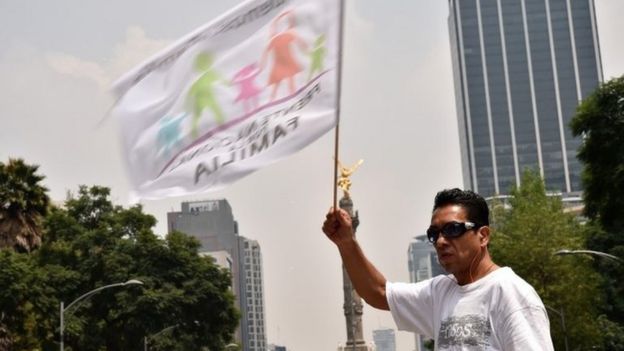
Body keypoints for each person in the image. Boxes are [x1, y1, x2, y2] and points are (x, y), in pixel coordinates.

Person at [322, 188, 554, 350]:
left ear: (483, 236)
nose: (441, 241)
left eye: (453, 229)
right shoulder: (440, 292)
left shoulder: (511, 294)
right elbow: (378, 292)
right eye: (434, 234)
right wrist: (346, 242)